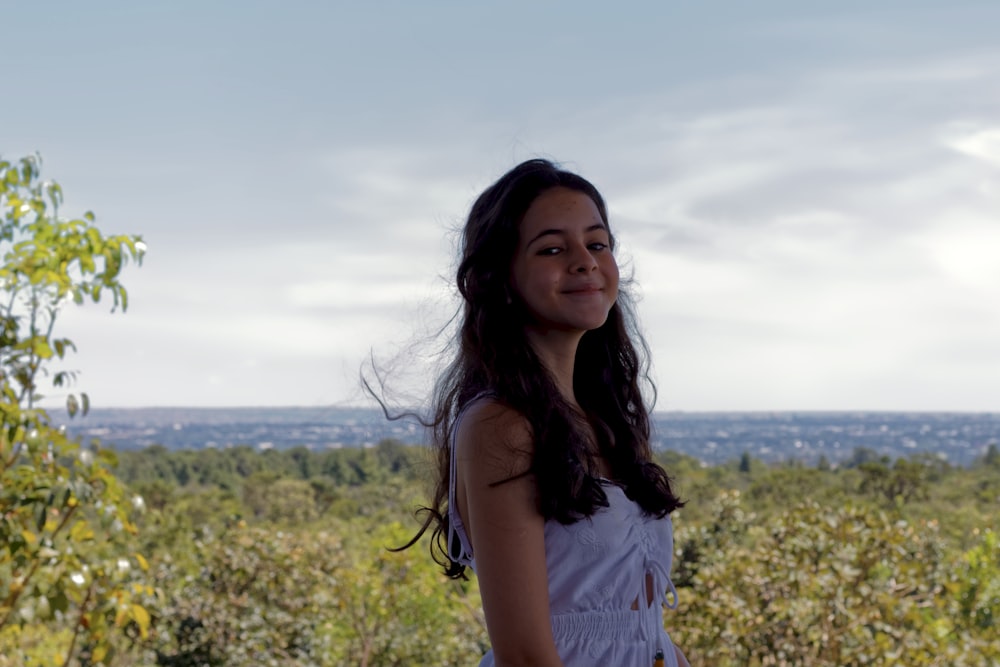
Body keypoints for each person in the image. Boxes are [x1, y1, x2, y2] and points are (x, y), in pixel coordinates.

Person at [395, 158, 690, 667]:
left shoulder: (606, 420)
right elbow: (526, 655)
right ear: (501, 278)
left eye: (597, 244)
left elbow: (639, 625)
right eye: (553, 249)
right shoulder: (500, 426)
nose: (585, 261)